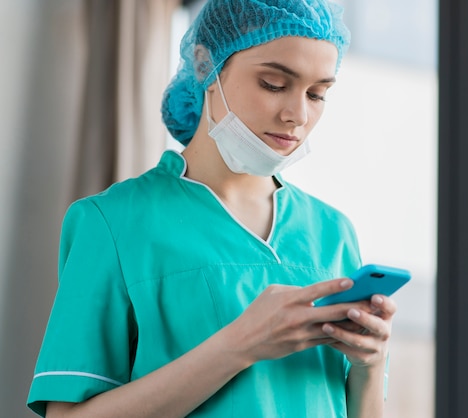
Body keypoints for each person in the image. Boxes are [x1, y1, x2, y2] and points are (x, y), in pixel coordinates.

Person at [27, 1, 397, 417]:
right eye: (274, 83)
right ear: (205, 65)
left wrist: (370, 363)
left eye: (317, 93)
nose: (298, 115)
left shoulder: (332, 232)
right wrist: (240, 344)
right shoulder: (113, 223)